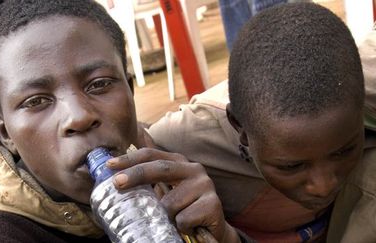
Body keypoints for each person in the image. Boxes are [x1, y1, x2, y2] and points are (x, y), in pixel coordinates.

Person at [0, 0, 241, 242]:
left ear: (130, 89)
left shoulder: (155, 165)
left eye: (98, 84)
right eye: (36, 101)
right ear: (4, 131)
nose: (80, 116)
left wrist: (225, 236)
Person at [123, 2, 371, 242]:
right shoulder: (182, 142)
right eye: (291, 167)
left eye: (344, 151)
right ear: (238, 127)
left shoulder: (356, 98)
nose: (323, 186)